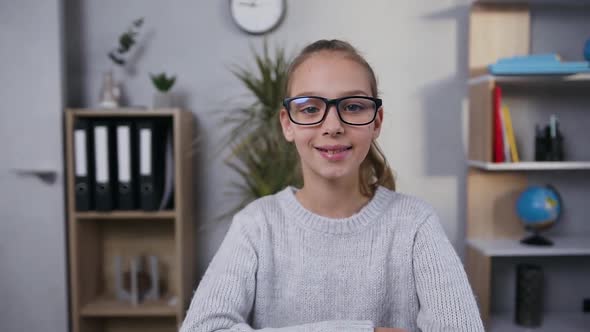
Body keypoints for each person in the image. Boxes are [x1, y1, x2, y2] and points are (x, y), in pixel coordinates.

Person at [180, 39, 484, 332]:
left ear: (376, 122)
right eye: (310, 109)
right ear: (288, 124)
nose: (333, 126)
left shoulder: (415, 223)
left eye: (352, 107)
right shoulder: (256, 225)